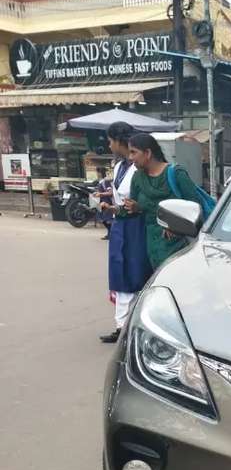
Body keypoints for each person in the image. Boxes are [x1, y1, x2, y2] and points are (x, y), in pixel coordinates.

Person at [99, 122, 152, 344]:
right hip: (119, 224)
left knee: (134, 272)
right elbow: (121, 191)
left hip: (136, 225)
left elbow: (143, 197)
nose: (110, 146)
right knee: (120, 273)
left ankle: (136, 325)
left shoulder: (139, 168)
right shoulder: (120, 166)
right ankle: (121, 325)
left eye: (110, 141)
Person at [123, 133, 206, 270]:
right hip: (152, 246)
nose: (130, 158)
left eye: (133, 152)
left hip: (180, 244)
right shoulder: (137, 178)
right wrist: (113, 209)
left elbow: (195, 207)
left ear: (148, 153)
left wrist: (176, 227)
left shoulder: (176, 174)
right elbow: (132, 210)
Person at [95, 166, 113, 240]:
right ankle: (109, 233)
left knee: (107, 219)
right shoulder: (101, 182)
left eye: (98, 172)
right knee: (102, 218)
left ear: (100, 173)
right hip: (101, 202)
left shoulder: (106, 181)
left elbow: (110, 192)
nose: (97, 174)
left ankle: (111, 234)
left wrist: (101, 194)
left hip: (107, 203)